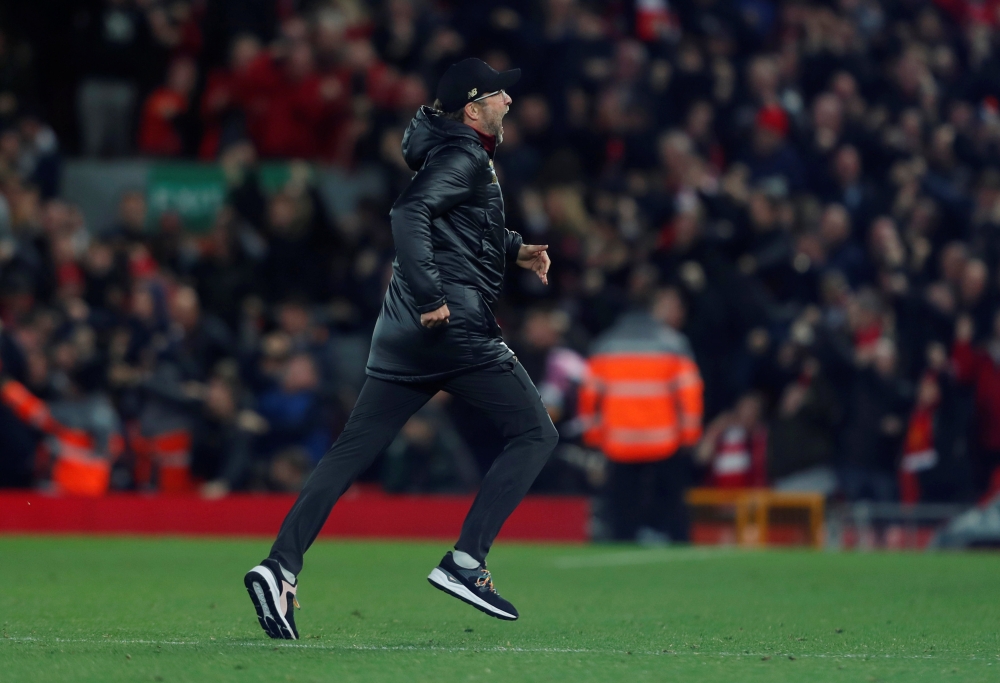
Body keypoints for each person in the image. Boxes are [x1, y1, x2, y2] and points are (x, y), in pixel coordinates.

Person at [244, 59, 556, 638]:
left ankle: (279, 566)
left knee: (347, 455)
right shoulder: (464, 156)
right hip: (450, 324)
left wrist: (513, 249)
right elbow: (409, 211)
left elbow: (457, 227)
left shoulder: (451, 150)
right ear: (471, 107)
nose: (509, 100)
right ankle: (466, 562)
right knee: (537, 432)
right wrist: (433, 293)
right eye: (498, 93)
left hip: (401, 333)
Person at [578, 286, 704, 543]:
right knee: (670, 503)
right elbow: (690, 393)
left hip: (620, 442)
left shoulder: (606, 344)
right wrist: (689, 435)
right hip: (663, 441)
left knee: (622, 507)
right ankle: (675, 540)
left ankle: (622, 541)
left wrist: (593, 435)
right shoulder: (673, 344)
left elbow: (589, 397)